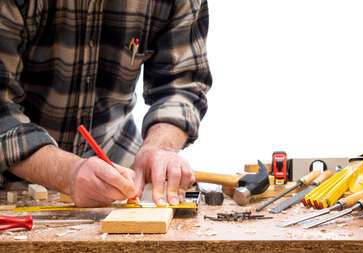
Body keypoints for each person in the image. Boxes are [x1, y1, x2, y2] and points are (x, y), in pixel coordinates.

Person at [0, 0, 212, 207]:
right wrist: (67, 172)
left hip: (117, 162)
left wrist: (160, 146)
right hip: (11, 179)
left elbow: (183, 85)